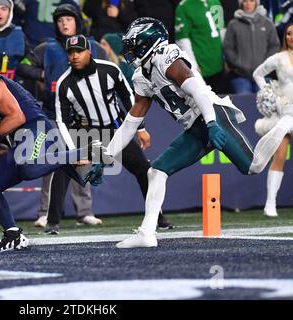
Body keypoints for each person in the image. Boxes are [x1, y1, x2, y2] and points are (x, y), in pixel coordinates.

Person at [95, 17, 293, 248]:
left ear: (147, 42)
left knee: (253, 166)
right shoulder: (141, 76)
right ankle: (147, 233)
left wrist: (211, 124)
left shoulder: (165, 57)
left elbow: (198, 91)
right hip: (196, 126)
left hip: (214, 114)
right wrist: (105, 156)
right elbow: (131, 123)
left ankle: (285, 122)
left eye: (133, 45)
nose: (129, 51)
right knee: (156, 171)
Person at [0, 49, 109, 252]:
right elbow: (1, 145)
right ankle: (13, 235)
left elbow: (17, 117)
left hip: (35, 127)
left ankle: (86, 151)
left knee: (28, 167)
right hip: (19, 141)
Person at [46, 34, 173, 234]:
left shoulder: (110, 70)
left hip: (115, 131)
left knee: (145, 171)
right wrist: (73, 150)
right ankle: (52, 223)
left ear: (89, 51)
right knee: (62, 170)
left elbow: (128, 97)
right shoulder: (64, 83)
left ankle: (158, 218)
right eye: (70, 53)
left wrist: (140, 128)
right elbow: (62, 120)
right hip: (86, 133)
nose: (75, 56)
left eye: (79, 51)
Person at [18, 3, 107, 229]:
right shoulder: (45, 48)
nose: (64, 23)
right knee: (53, 164)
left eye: (68, 19)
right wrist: (43, 75)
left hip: (85, 115)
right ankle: (45, 213)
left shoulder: (94, 47)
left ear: (77, 21)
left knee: (84, 162)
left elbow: (108, 70)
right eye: (59, 20)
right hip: (53, 114)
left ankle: (84, 212)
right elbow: (23, 67)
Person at [252, 22, 293, 217]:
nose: (291, 37)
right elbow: (258, 74)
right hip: (286, 112)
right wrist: (269, 93)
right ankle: (270, 204)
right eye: (288, 34)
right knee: (279, 154)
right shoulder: (279, 58)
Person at [175, 0, 233, 94]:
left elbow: (222, 30)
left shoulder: (215, 2)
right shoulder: (184, 6)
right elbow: (183, 39)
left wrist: (226, 58)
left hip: (219, 65)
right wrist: (193, 65)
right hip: (201, 67)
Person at [224, 0, 280, 94]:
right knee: (244, 102)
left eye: (251, 1)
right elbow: (228, 47)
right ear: (241, 4)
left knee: (264, 102)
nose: (248, 4)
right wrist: (238, 63)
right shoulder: (233, 24)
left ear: (256, 3)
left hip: (263, 74)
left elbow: (274, 45)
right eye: (245, 1)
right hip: (240, 75)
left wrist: (265, 63)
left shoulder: (267, 23)